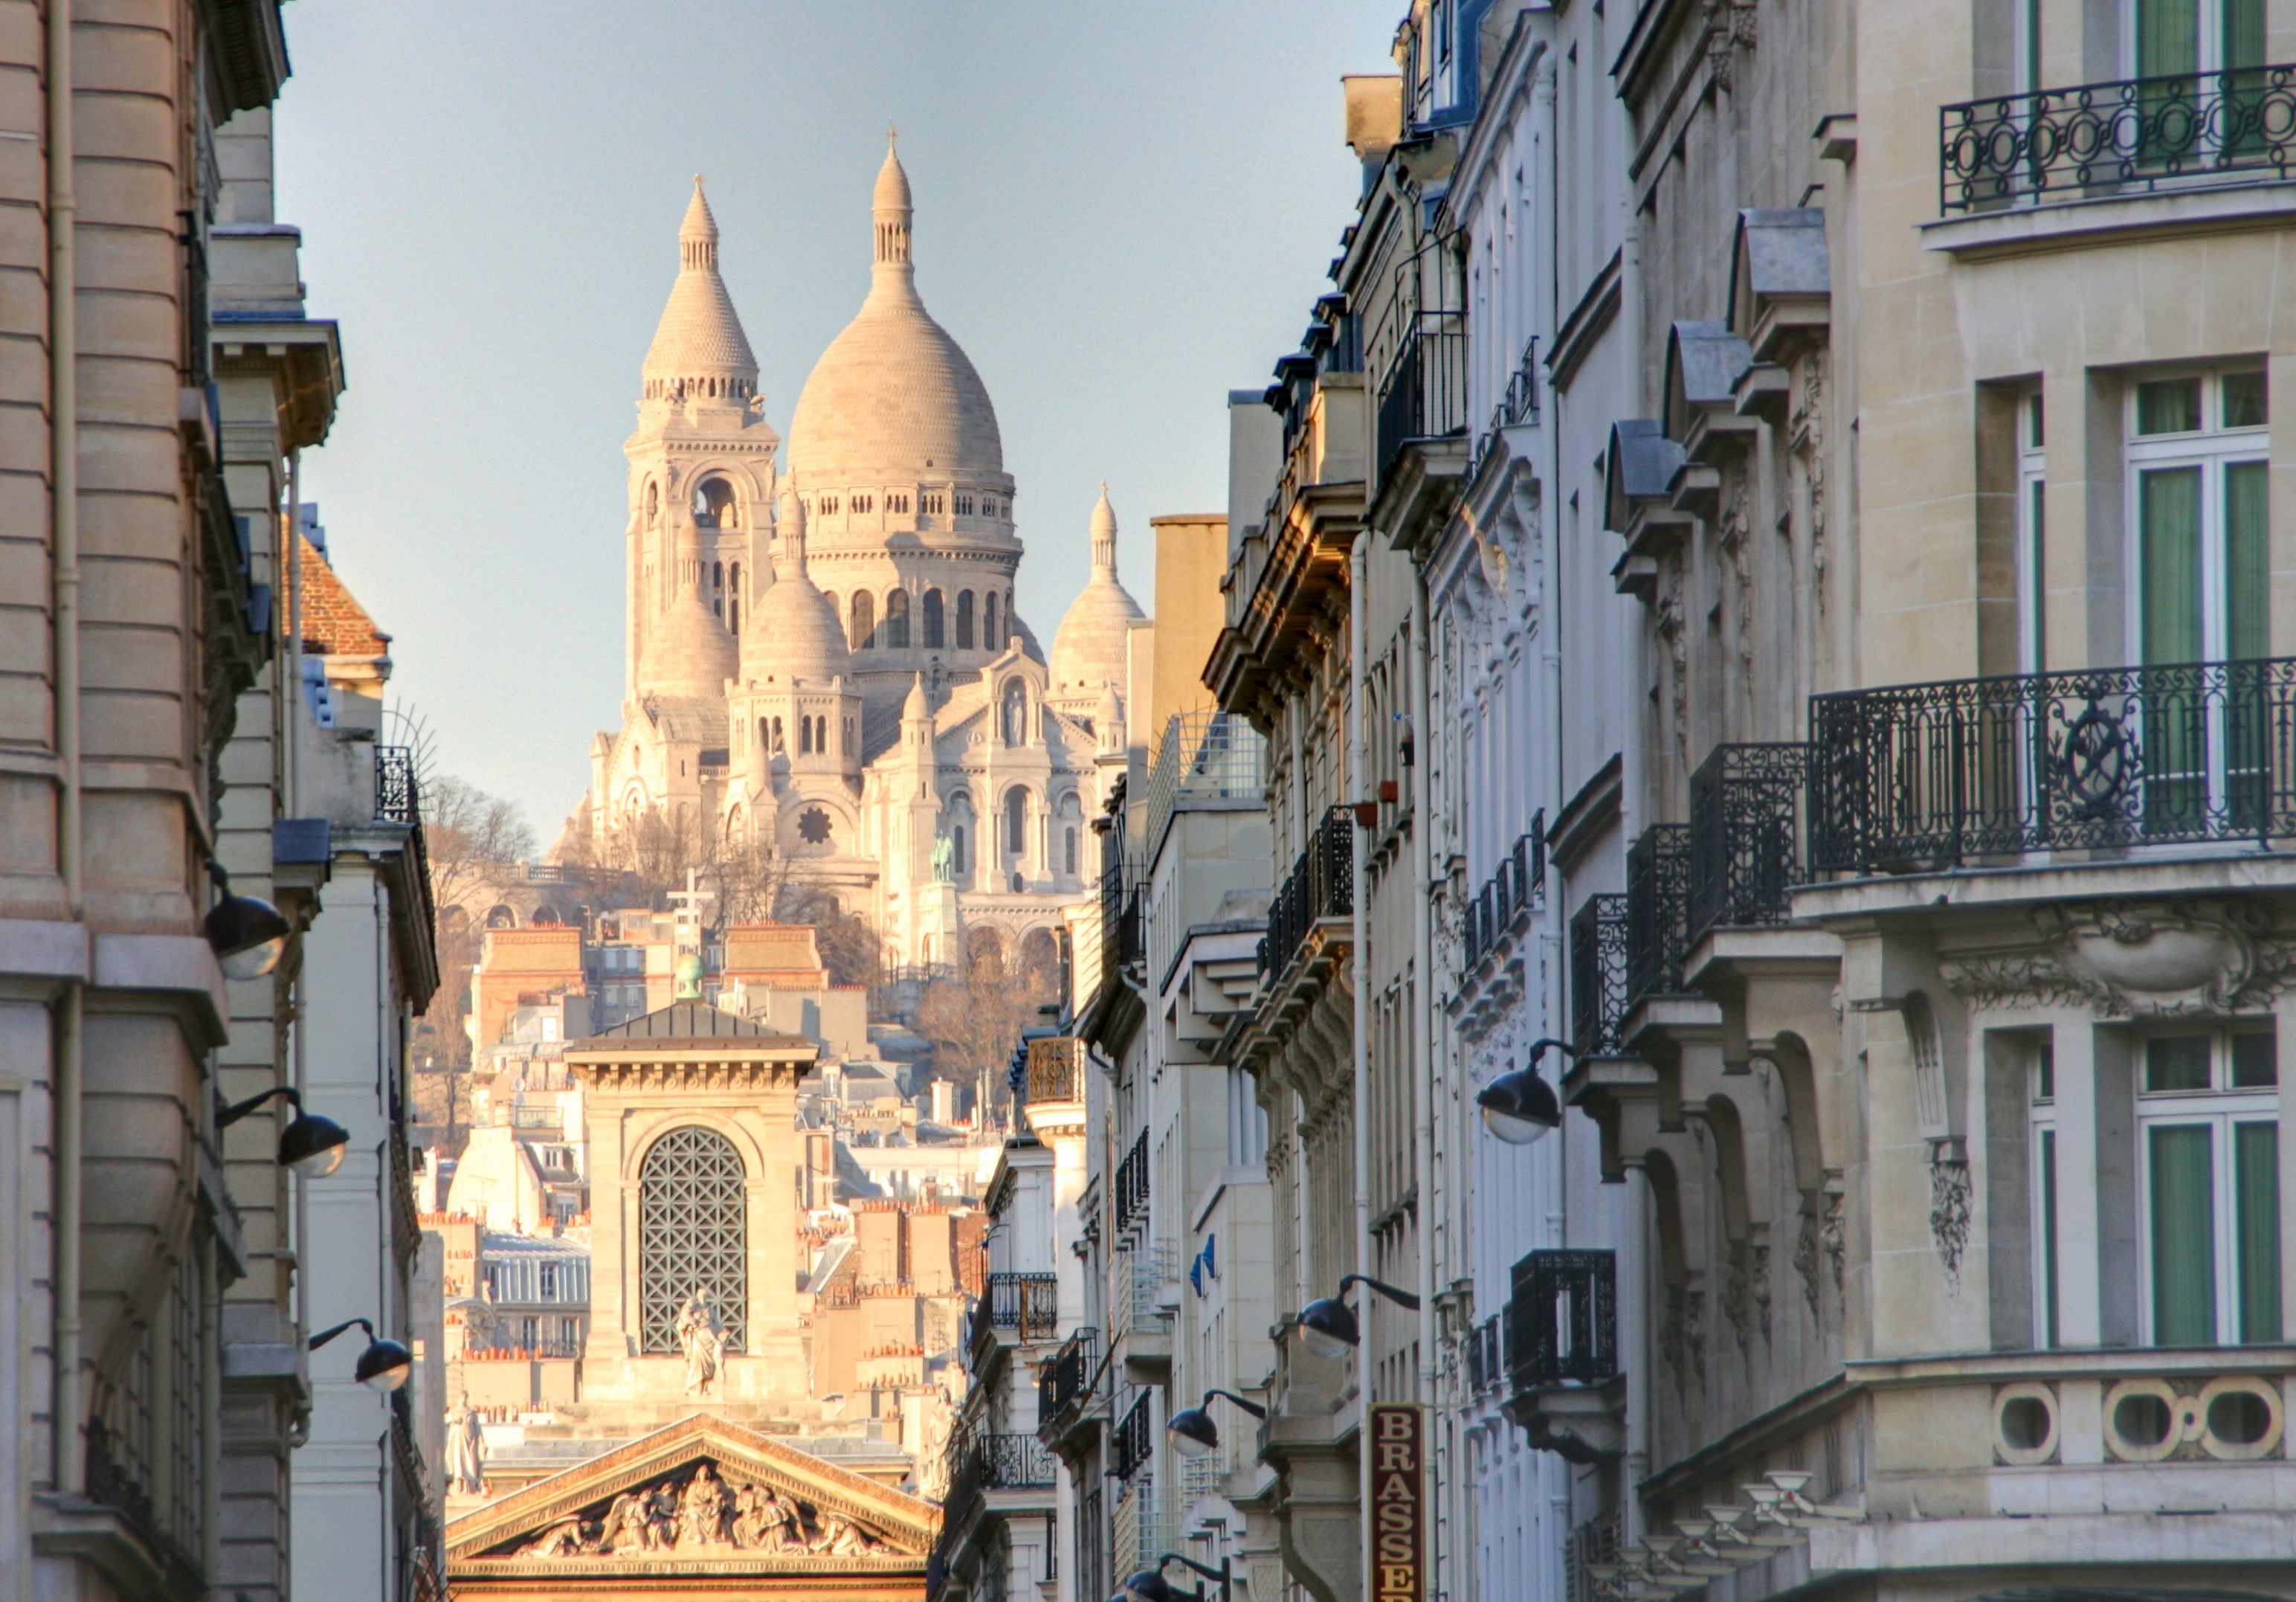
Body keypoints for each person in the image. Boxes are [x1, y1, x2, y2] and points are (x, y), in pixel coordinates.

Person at [676, 1290, 724, 1398]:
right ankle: (693, 1388)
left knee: (709, 1366)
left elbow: (716, 1323)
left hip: (709, 1339)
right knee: (696, 1364)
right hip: (697, 1338)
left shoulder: (710, 1310)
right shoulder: (693, 1307)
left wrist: (722, 1332)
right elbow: (684, 1319)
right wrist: (690, 1323)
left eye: (705, 1296)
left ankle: (705, 1388)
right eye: (701, 1296)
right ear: (698, 1296)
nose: (703, 1297)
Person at [445, 1399, 487, 1496]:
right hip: (457, 1439)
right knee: (458, 1461)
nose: (463, 1398)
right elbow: (447, 1425)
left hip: (470, 1441)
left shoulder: (472, 1412)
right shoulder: (453, 1412)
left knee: (471, 1463)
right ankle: (458, 1485)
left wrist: (482, 1442)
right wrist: (455, 1422)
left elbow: (478, 1428)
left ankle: (470, 1486)